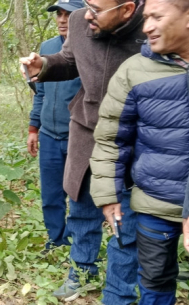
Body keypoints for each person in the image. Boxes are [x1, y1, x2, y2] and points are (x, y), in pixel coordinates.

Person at [20, 0, 145, 303]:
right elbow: (69, 59)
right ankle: (82, 269)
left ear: (127, 9)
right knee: (81, 206)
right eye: (87, 4)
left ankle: (120, 290)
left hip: (132, 136)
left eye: (97, 8)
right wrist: (44, 66)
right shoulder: (79, 21)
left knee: (126, 218)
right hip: (86, 129)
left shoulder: (151, 25)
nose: (87, 14)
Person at [90, 1, 189, 304]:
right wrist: (107, 194)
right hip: (153, 204)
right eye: (146, 18)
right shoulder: (134, 70)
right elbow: (110, 138)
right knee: (155, 283)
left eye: (156, 17)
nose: (146, 27)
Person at [27, 0, 83, 252]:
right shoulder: (47, 48)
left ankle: (77, 242)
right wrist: (33, 127)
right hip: (49, 134)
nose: (62, 20)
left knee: (78, 194)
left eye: (68, 15)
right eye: (59, 15)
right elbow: (40, 92)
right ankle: (56, 240)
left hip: (78, 135)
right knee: (51, 194)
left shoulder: (90, 49)